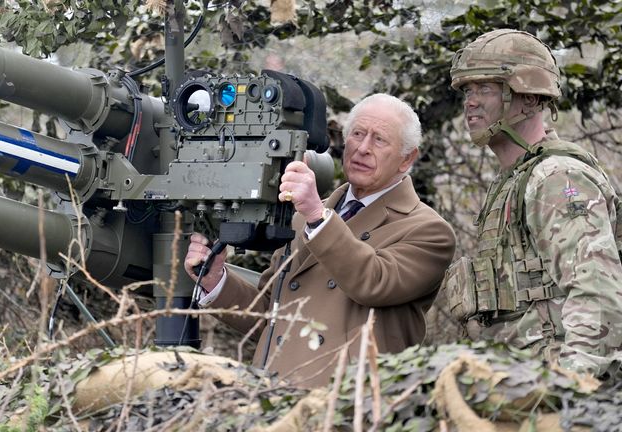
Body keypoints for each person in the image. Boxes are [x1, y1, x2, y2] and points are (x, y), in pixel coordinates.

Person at [184, 93, 456, 388]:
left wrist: (317, 215)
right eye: (357, 134)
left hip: (348, 407)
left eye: (379, 140)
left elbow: (374, 282)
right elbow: (269, 315)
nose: (363, 148)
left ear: (407, 159)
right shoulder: (306, 216)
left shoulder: (428, 230)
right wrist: (216, 282)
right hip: (273, 398)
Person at [445, 29, 622, 377]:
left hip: (556, 384)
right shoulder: (513, 179)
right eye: (467, 90)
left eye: (486, 88)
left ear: (528, 98)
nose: (471, 101)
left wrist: (574, 386)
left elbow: (597, 293)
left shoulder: (557, 176)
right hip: (521, 378)